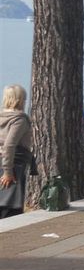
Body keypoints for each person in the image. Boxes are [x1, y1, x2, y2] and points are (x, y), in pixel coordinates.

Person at [0, 85, 33, 219]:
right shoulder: (19, 119)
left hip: (4, 159)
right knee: (11, 205)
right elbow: (10, 145)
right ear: (20, 100)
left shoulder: (1, 116)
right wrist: (8, 171)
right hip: (14, 164)